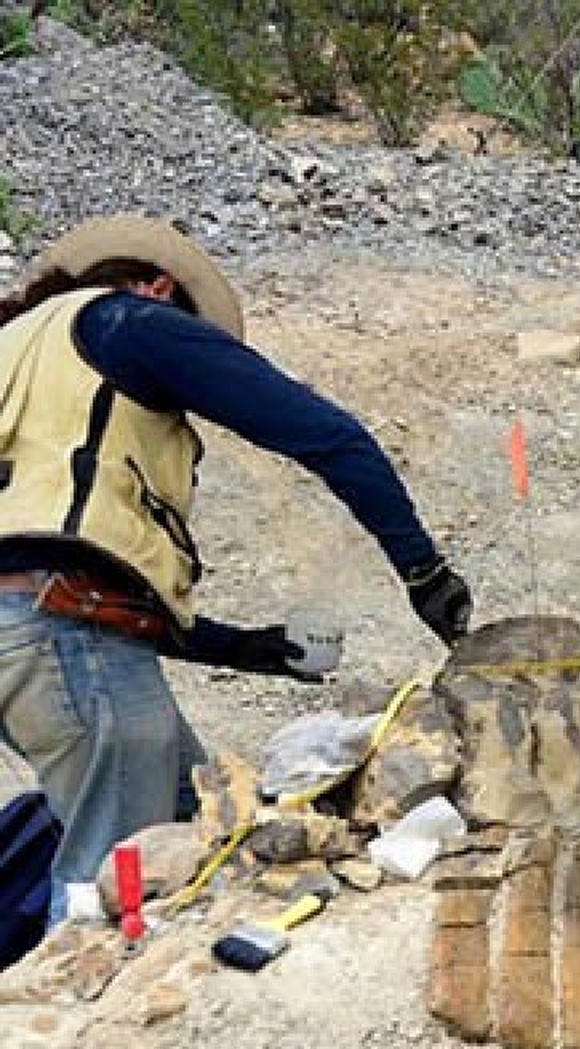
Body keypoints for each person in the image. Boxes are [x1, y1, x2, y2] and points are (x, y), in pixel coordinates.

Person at [0, 215, 472, 923]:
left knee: (196, 821)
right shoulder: (134, 322)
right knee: (113, 896)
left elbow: (55, 561)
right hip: (60, 637)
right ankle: (71, 1025)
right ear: (160, 286)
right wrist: (423, 572)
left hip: (44, 639)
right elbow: (330, 437)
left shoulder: (18, 354)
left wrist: (244, 649)